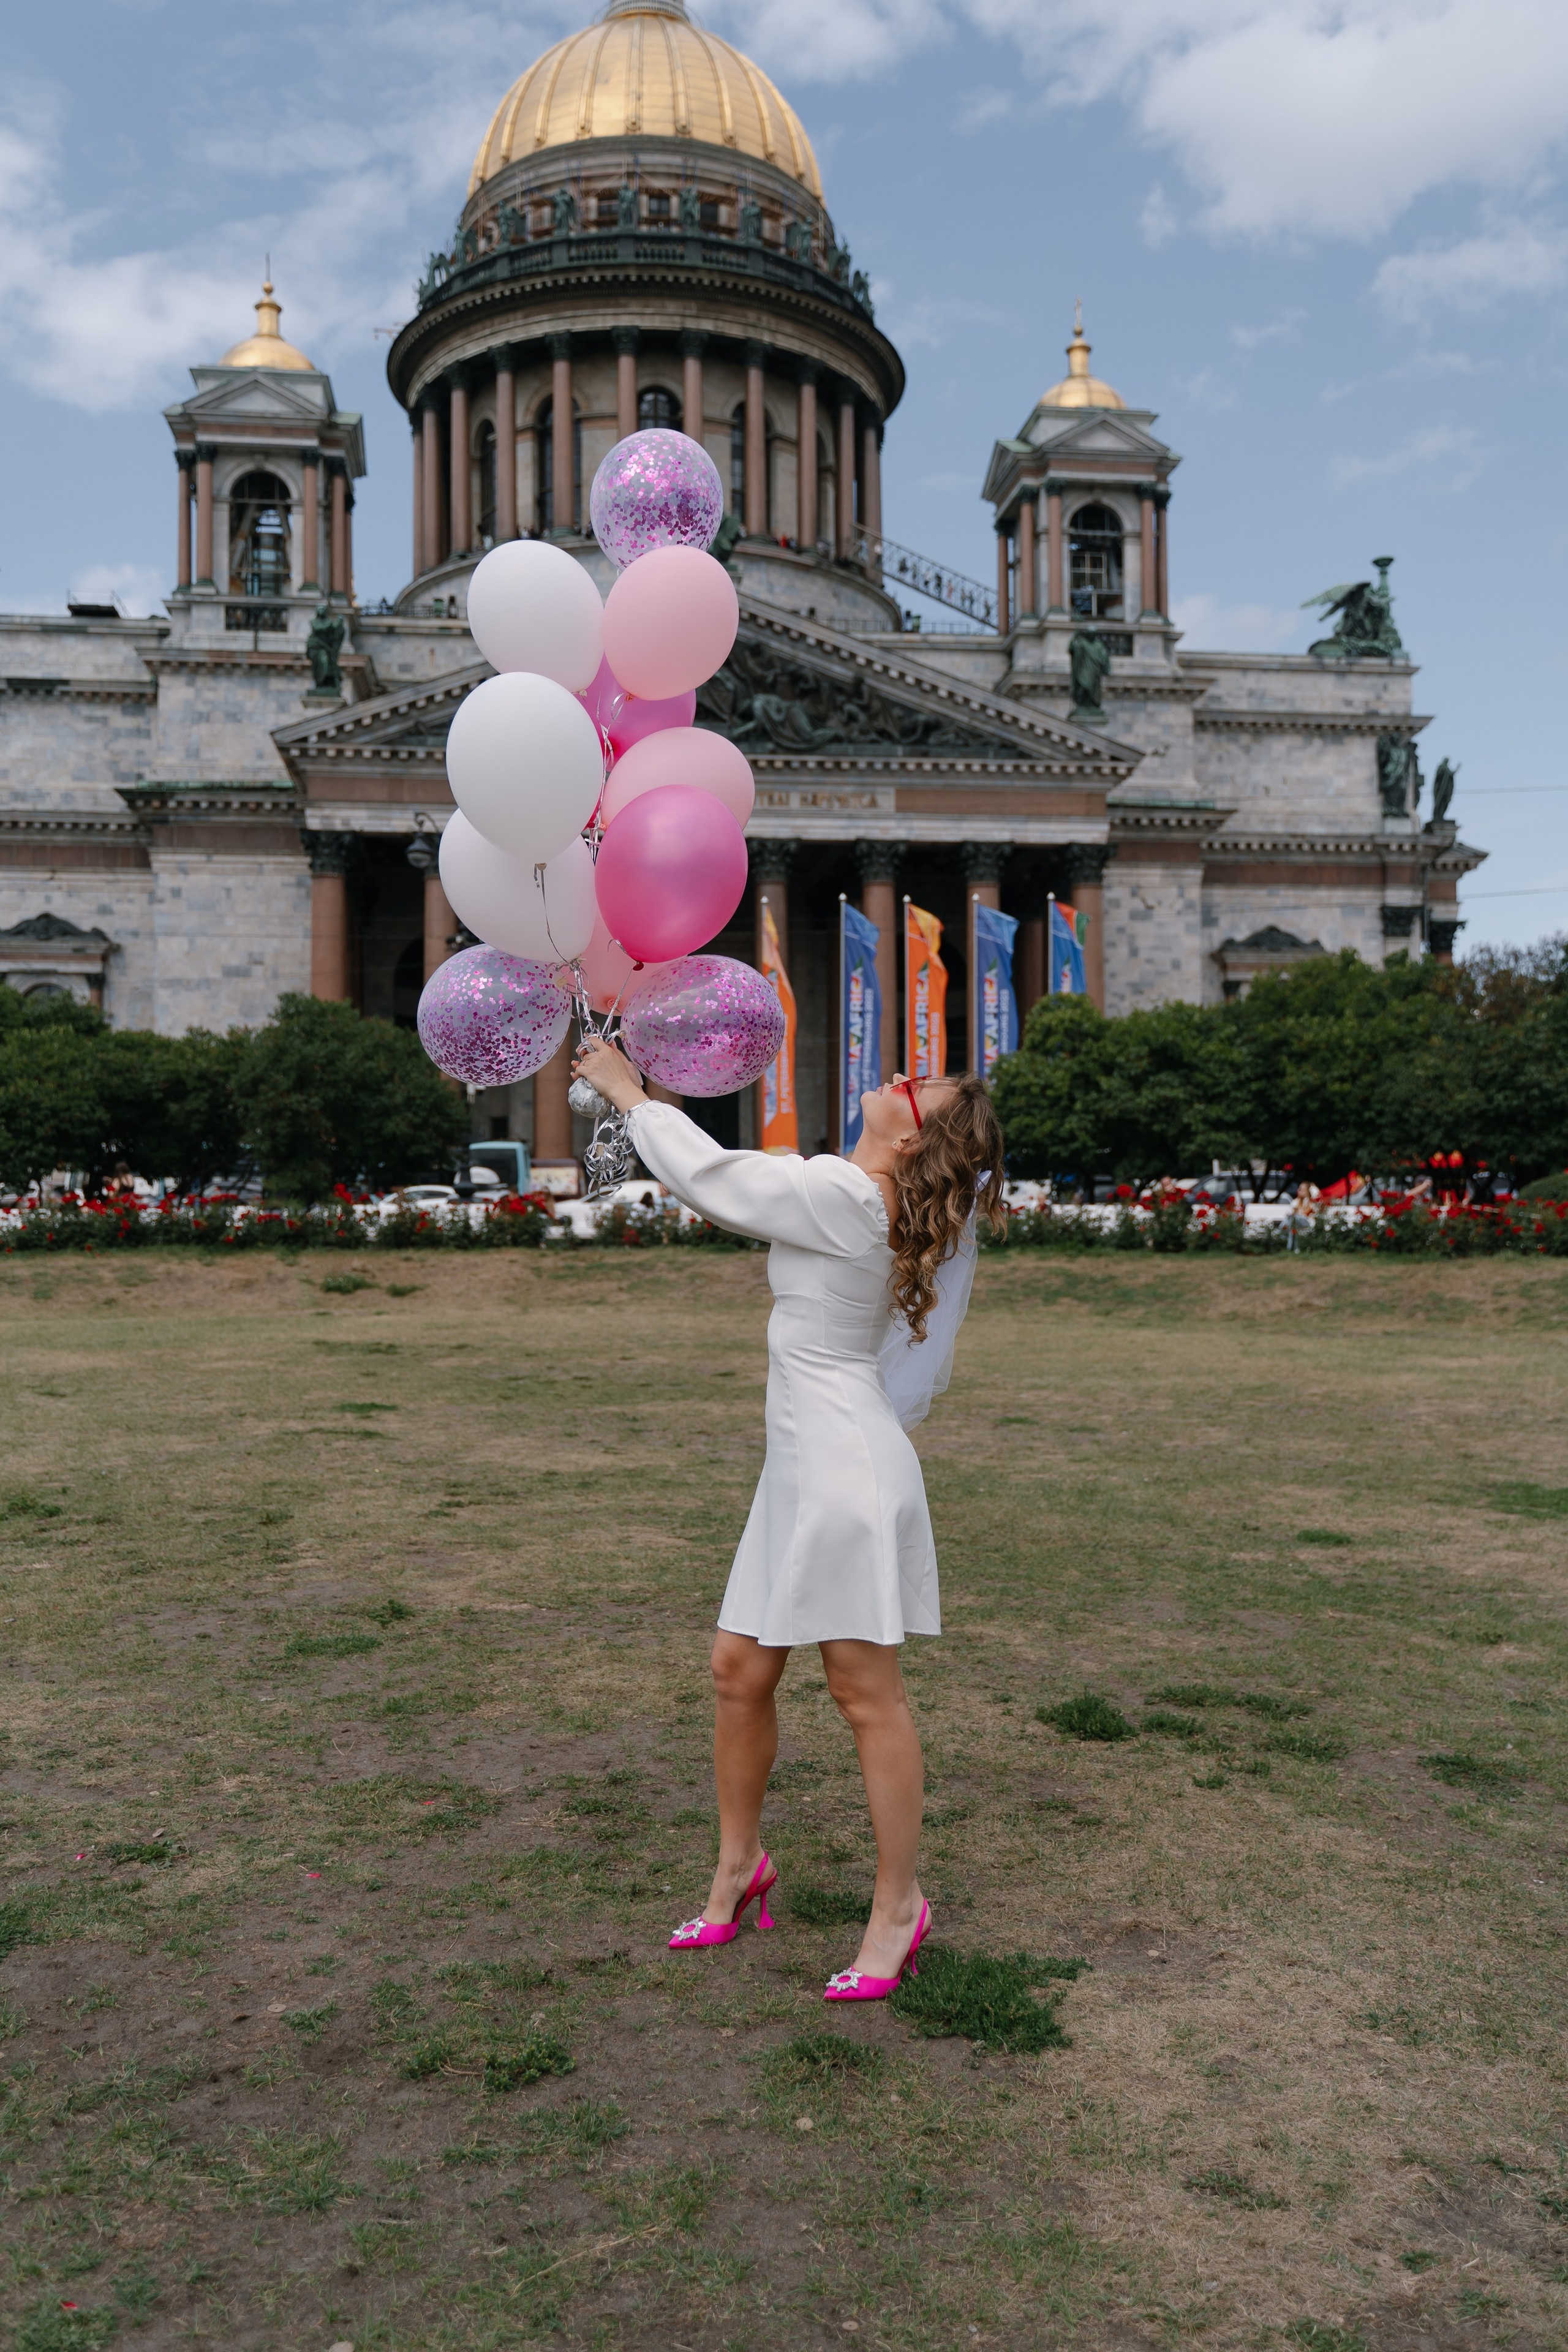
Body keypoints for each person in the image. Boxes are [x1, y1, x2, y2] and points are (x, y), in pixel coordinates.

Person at [570, 1034, 1005, 2002]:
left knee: (864, 1696)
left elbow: (714, 1178)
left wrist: (625, 1091)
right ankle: (740, 1866)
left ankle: (900, 1907)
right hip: (800, 1471)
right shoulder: (851, 1191)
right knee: (738, 1671)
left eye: (910, 1088)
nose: (893, 1079)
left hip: (845, 1473)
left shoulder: (850, 1195)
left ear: (911, 1141)